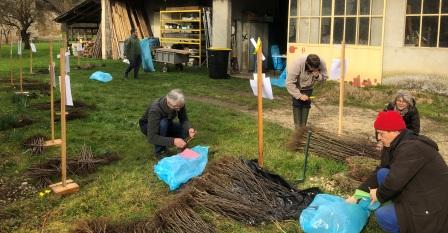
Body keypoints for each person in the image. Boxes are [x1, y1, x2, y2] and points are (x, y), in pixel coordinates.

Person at [347, 111, 448, 233]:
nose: (378, 138)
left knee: (384, 215)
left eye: (381, 133)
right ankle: (399, 204)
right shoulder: (394, 144)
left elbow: (395, 180)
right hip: (416, 188)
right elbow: (382, 170)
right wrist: (357, 195)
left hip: (432, 204)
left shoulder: (413, 148)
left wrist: (379, 194)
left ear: (395, 131)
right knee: (383, 173)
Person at [139, 89, 196, 158]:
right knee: (163, 123)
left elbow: (184, 119)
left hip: (167, 123)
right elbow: (152, 137)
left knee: (185, 130)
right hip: (149, 127)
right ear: (168, 102)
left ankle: (182, 148)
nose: (178, 110)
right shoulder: (155, 110)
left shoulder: (178, 103)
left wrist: (189, 128)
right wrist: (173, 141)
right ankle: (160, 151)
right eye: (176, 107)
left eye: (180, 107)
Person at [286, 54, 328, 128]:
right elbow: (289, 83)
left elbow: (324, 78)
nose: (314, 70)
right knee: (297, 105)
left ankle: (303, 127)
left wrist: (318, 76)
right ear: (307, 63)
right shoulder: (297, 64)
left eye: (316, 68)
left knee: (306, 105)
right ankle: (298, 129)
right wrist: (299, 95)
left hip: (309, 87)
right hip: (297, 87)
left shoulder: (322, 63)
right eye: (312, 69)